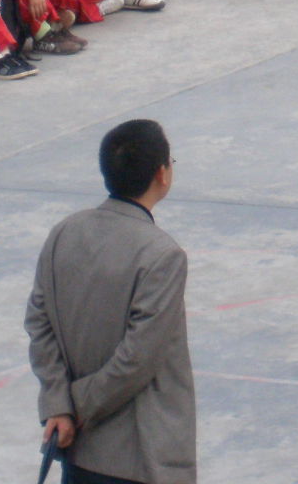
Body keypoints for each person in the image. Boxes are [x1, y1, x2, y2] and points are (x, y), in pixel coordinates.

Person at [26, 118, 196, 484]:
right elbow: (137, 359)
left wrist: (58, 403)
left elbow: (39, 323)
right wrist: (76, 405)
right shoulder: (162, 255)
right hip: (141, 456)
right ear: (162, 174)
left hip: (79, 451)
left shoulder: (65, 232)